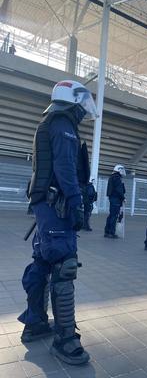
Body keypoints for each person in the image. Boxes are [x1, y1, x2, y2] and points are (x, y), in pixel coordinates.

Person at [18, 80, 97, 365]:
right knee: (64, 265)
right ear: (73, 100)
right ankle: (65, 340)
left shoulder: (51, 122)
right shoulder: (63, 124)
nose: (85, 111)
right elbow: (64, 169)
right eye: (83, 104)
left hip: (46, 207)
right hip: (57, 207)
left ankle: (36, 322)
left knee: (42, 262)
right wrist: (76, 202)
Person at [77, 142, 97, 231]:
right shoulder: (88, 186)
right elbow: (90, 194)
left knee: (86, 214)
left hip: (88, 203)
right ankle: (85, 226)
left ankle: (85, 225)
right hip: (87, 203)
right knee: (86, 214)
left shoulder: (88, 185)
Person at [104, 165, 126, 238]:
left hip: (112, 198)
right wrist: (123, 198)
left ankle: (107, 231)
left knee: (111, 215)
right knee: (114, 216)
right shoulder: (117, 178)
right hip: (116, 199)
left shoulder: (112, 177)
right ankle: (111, 232)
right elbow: (119, 190)